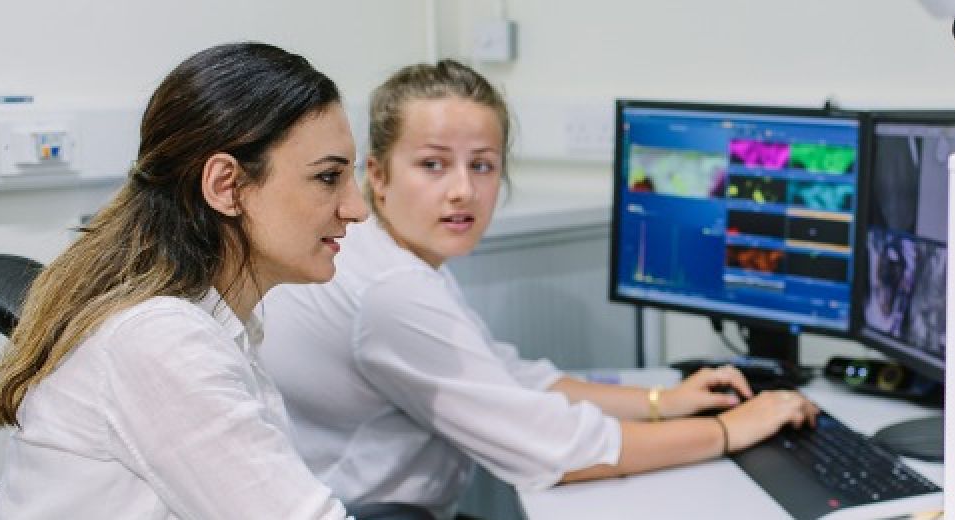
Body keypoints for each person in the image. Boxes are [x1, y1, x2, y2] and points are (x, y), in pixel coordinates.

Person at [258, 60, 819, 517]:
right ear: (377, 175)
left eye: (482, 166)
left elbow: (509, 377)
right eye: (433, 164)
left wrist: (664, 402)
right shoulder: (390, 289)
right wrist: (730, 429)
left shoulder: (387, 255)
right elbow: (555, 449)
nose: (463, 191)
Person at [0, 42, 367, 518]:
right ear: (225, 186)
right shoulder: (160, 342)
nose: (357, 209)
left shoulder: (205, 319)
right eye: (329, 177)